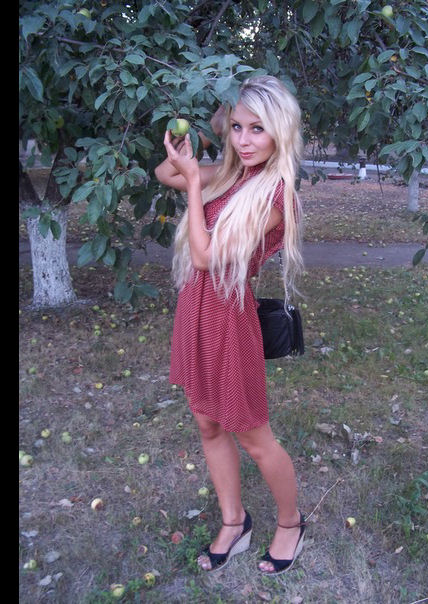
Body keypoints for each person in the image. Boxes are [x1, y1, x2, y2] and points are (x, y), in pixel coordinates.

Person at [154, 75, 306, 575]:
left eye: (257, 128)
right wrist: (194, 146)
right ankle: (234, 521)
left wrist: (196, 183)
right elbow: (164, 172)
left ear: (280, 131)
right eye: (237, 127)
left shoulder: (275, 195)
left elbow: (204, 257)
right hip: (195, 310)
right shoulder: (229, 173)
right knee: (207, 422)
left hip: (230, 318)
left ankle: (291, 524)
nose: (244, 140)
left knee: (254, 437)